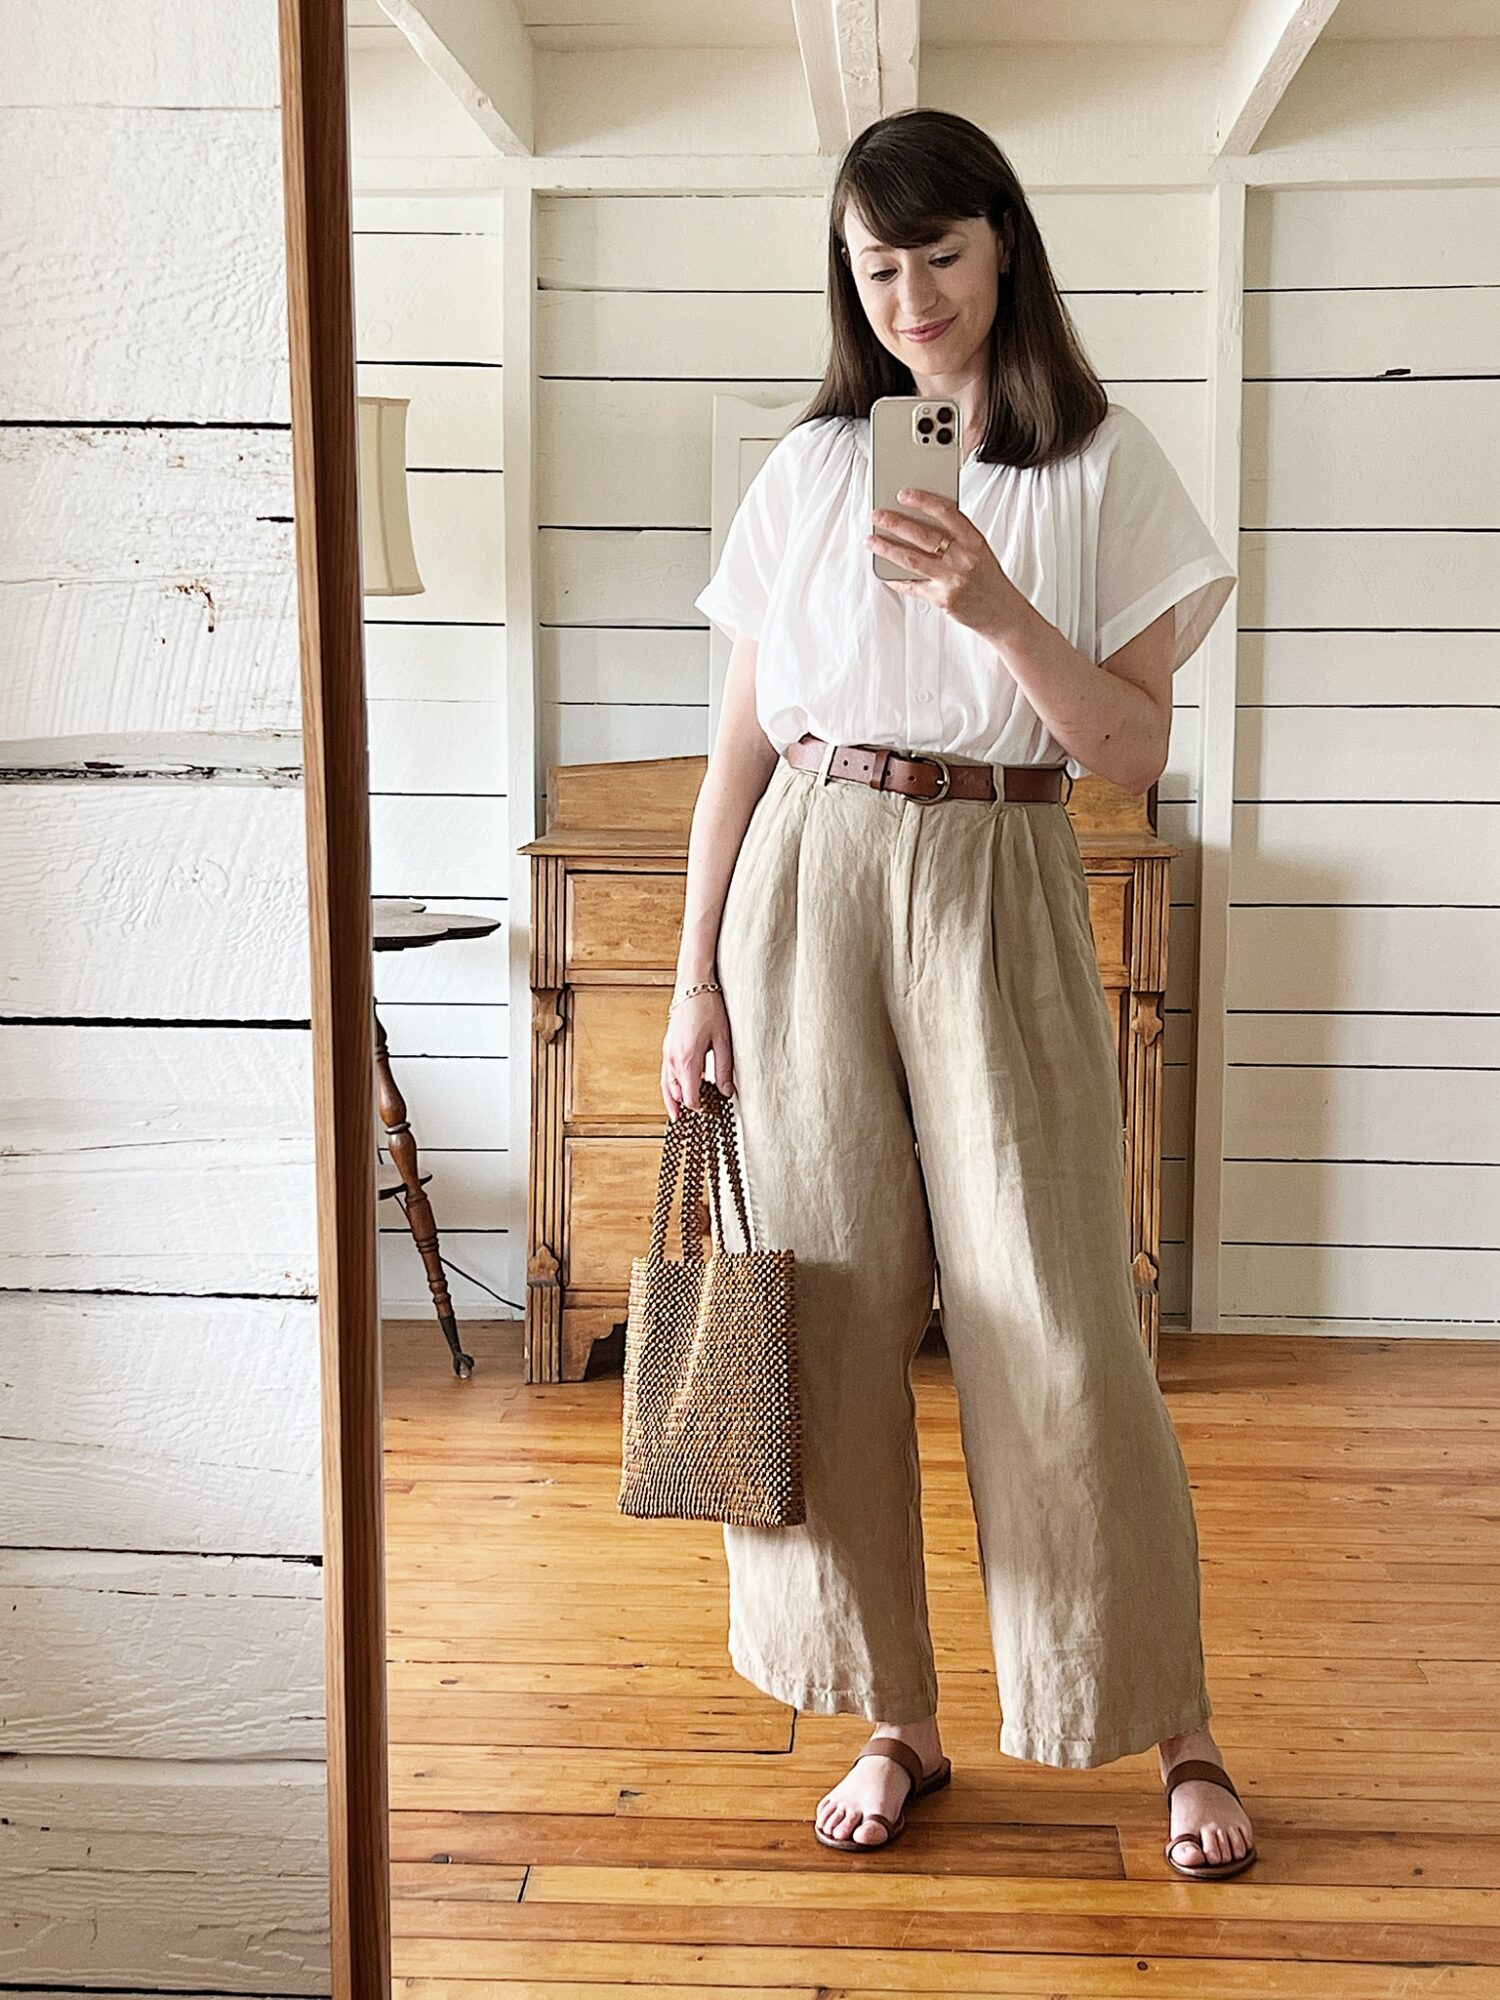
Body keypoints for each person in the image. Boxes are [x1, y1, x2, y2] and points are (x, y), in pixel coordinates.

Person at [660, 107, 1255, 1879]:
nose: (909, 293)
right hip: (810, 872)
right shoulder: (820, 464)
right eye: (875, 261)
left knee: (1059, 1318)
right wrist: (694, 980)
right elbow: (739, 747)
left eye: (939, 251)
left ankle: (1176, 1723)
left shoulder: (1103, 463)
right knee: (827, 1311)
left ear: (1004, 245)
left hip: (998, 867)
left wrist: (997, 606)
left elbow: (1132, 754)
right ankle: (888, 1717)